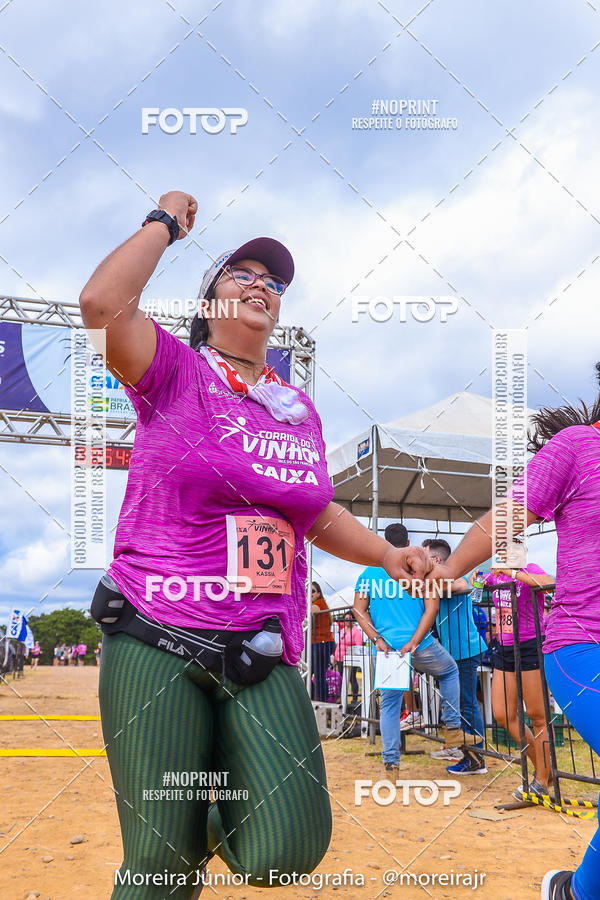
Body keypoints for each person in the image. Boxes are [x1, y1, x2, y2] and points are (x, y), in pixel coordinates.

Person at [79, 191, 432, 898]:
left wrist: (386, 554)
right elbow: (102, 305)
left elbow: (313, 512)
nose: (260, 285)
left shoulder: (296, 411)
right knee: (157, 871)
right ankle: (170, 842)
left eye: (272, 282)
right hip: (157, 631)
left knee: (287, 846)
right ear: (208, 301)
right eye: (241, 274)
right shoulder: (173, 371)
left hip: (258, 647)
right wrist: (164, 223)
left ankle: (186, 830)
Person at [435, 369, 600, 900]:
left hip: (528, 648)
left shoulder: (529, 575)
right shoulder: (578, 447)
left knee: (533, 717)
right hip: (579, 645)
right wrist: (449, 569)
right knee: (509, 716)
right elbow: (502, 522)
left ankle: (570, 875)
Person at [353, 522, 469, 777]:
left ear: (384, 542)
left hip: (388, 648)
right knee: (449, 672)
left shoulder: (368, 573)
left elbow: (358, 610)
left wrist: (376, 639)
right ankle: (452, 729)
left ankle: (391, 763)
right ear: (407, 544)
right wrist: (416, 640)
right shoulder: (422, 569)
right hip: (420, 644)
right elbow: (432, 609)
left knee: (390, 705)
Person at [472, 560, 554, 795]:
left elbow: (550, 583)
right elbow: (476, 583)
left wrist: (514, 573)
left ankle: (541, 780)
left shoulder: (530, 568)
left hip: (530, 645)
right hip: (505, 647)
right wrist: (476, 579)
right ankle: (544, 770)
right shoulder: (495, 574)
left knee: (537, 715)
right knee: (502, 713)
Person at [422, 539, 488, 773]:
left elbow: (461, 584)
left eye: (425, 556)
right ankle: (466, 753)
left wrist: (428, 587)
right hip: (455, 652)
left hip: (466, 650)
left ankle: (476, 759)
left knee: (467, 704)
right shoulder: (437, 580)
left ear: (436, 560)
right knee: (459, 704)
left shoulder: (455, 575)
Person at [311, 582, 335, 702]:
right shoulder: (320, 603)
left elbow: (310, 612)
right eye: (307, 591)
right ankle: (319, 700)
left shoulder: (318, 603)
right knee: (318, 675)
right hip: (321, 643)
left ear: (318, 593)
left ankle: (322, 702)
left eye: (312, 591)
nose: (309, 594)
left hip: (321, 643)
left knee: (318, 676)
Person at [333, 610, 363, 705]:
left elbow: (358, 646)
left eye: (350, 619)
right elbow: (339, 645)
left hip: (351, 660)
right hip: (340, 659)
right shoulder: (342, 631)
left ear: (353, 620)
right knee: (342, 679)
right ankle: (342, 699)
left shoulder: (356, 631)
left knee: (352, 679)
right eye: (346, 619)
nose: (347, 620)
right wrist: (335, 658)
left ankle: (354, 699)